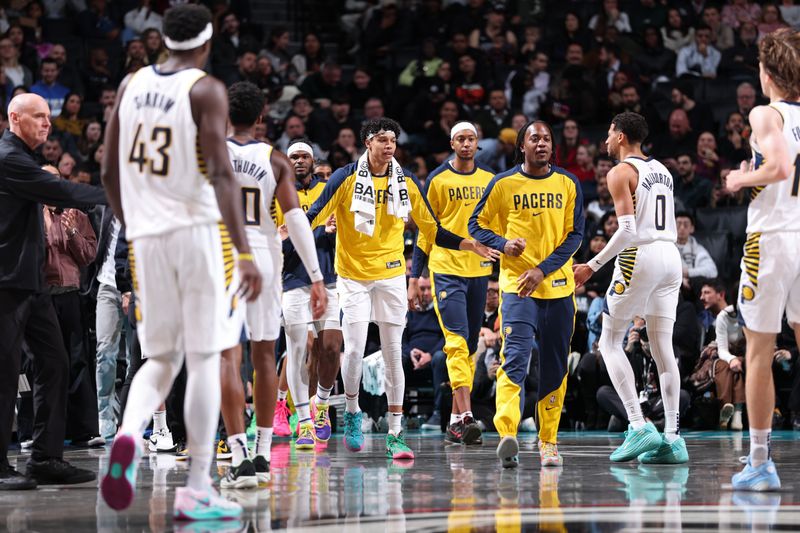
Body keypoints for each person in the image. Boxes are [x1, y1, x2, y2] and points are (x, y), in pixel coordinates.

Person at [99, 5, 262, 520]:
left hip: (144, 239)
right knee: (206, 357)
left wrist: (136, 223)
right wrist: (243, 250)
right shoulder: (205, 88)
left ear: (163, 39)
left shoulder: (129, 86)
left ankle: (128, 437)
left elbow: (106, 171)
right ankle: (196, 489)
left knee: (160, 360)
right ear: (209, 41)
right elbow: (219, 172)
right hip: (197, 233)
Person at [305, 117, 497, 460]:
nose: (389, 145)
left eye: (392, 139)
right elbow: (315, 214)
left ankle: (395, 431)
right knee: (356, 348)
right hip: (353, 274)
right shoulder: (345, 177)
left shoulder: (405, 181)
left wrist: (470, 245)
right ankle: (351, 412)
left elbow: (432, 229)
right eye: (382, 139)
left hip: (392, 273)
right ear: (368, 144)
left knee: (394, 353)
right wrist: (285, 232)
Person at [219, 83, 326, 489]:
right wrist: (317, 278)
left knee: (228, 358)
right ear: (263, 116)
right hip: (265, 255)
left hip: (223, 254)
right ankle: (263, 451)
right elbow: (296, 220)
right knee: (265, 355)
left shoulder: (207, 153)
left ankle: (239, 454)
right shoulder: (275, 158)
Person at [0, 93, 105, 490]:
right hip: (6, 283)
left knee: (55, 363)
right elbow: (62, 192)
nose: (48, 123)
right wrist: (116, 195)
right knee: (6, 373)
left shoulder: (21, 158)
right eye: (39, 117)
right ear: (15, 118)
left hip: (32, 282)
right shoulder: (9, 158)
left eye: (49, 116)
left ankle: (45, 457)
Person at [573, 112, 687, 465]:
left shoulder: (620, 171)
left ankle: (638, 425)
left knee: (608, 340)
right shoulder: (663, 170)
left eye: (608, 134)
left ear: (621, 136)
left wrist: (591, 266)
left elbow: (626, 230)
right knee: (663, 346)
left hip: (641, 254)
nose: (605, 141)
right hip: (671, 256)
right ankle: (672, 438)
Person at [470, 120, 584, 469]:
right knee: (515, 358)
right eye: (535, 138)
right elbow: (476, 225)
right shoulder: (503, 183)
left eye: (547, 138)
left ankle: (548, 441)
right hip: (517, 287)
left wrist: (542, 270)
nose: (542, 143)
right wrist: (503, 244)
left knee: (554, 366)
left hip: (558, 288)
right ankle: (508, 433)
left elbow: (575, 235)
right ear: (522, 145)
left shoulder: (568, 182)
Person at [724, 28, 800, 491]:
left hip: (771, 240)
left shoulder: (763, 113)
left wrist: (738, 179)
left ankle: (758, 463)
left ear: (768, 73)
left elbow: (779, 167)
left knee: (759, 351)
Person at [410, 121, 495, 445]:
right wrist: (416, 277)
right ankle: (468, 414)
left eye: (471, 138)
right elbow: (426, 231)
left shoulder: (489, 180)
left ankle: (457, 419)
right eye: (460, 139)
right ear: (451, 143)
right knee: (457, 343)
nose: (466, 144)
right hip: (446, 269)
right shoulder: (437, 179)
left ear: (477, 143)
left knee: (470, 347)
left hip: (479, 271)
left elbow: (495, 225)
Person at [275, 139, 339, 452]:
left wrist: (336, 231)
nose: (299, 161)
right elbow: (281, 242)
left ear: (313, 161)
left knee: (331, 345)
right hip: (291, 280)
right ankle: (303, 421)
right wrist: (317, 232)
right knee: (297, 350)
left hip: (328, 278)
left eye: (304, 157)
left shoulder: (328, 190)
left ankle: (322, 404)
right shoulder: (276, 194)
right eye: (294, 157)